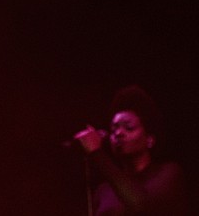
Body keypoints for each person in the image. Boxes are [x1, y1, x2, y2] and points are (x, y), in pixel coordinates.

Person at [74, 85, 188, 215]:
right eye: (114, 129)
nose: (118, 133)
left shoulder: (168, 174)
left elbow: (141, 206)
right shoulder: (103, 191)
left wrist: (97, 154)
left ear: (149, 140)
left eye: (128, 127)